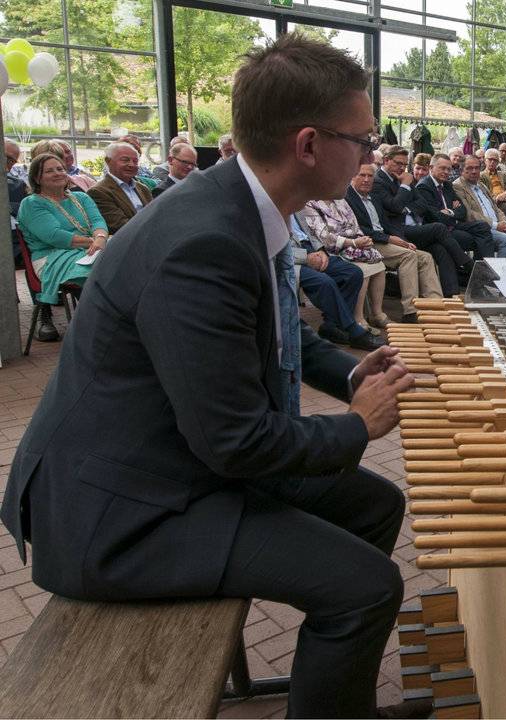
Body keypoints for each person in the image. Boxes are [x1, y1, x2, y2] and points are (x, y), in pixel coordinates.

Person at [3, 33, 416, 718]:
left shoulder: (238, 204)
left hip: (165, 464)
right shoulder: (206, 242)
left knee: (374, 505)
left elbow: (277, 332)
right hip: (120, 513)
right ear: (309, 145)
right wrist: (357, 425)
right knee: (365, 588)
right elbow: (234, 442)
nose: (371, 154)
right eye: (364, 140)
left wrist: (350, 377)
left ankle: (336, 696)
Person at [16, 152, 108, 341]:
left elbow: (98, 221)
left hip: (88, 249)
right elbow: (54, 236)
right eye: (50, 171)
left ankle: (109, 320)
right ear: (37, 178)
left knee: (124, 257)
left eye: (60, 169)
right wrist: (93, 242)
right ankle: (98, 324)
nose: (58, 173)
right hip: (51, 256)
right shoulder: (32, 203)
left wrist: (100, 238)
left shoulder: (81, 197)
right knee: (99, 266)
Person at [347, 162, 445, 315]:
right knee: (408, 256)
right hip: (366, 243)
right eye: (362, 175)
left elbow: (386, 224)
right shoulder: (348, 197)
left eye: (370, 176)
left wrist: (402, 241)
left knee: (425, 257)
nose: (366, 180)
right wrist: (390, 239)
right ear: (353, 176)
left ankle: (435, 306)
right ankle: (411, 310)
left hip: (384, 241)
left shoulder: (374, 196)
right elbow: (358, 229)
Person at [373, 145, 472, 296]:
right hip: (396, 231)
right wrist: (405, 186)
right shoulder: (379, 181)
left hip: (414, 227)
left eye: (404, 164)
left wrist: (405, 208)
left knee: (440, 248)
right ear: (386, 160)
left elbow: (422, 204)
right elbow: (395, 206)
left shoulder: (402, 177)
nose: (402, 168)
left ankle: (451, 294)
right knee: (438, 228)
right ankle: (468, 265)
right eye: (398, 163)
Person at [288, 214, 386, 351]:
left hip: (312, 251)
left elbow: (310, 234)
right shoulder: (267, 210)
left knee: (353, 273)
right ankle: (354, 332)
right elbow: (272, 249)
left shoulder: (296, 210)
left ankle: (331, 326)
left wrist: (321, 250)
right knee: (324, 282)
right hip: (291, 261)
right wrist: (305, 258)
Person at [299, 196, 390, 333]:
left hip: (349, 246)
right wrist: (352, 242)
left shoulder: (341, 200)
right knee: (359, 271)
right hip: (333, 249)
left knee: (379, 266)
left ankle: (377, 314)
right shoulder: (310, 203)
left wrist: (362, 241)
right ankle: (356, 319)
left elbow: (355, 226)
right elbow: (324, 236)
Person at [412, 154, 497, 269]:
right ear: (431, 168)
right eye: (442, 168)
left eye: (449, 169)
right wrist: (453, 211)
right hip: (440, 230)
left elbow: (462, 211)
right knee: (476, 239)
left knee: (483, 226)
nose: (446, 172)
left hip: (454, 224)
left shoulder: (447, 184)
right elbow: (435, 217)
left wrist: (450, 212)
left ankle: (485, 268)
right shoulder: (424, 186)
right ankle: (478, 270)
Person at [453, 155, 506, 258]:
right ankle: (499, 269)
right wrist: (495, 225)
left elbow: (495, 207)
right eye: (469, 168)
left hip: (498, 225)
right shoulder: (457, 186)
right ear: (461, 170)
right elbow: (468, 213)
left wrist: (504, 222)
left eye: (477, 168)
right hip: (480, 229)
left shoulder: (481, 185)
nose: (474, 171)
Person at [87, 141, 153, 233]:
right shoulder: (98, 192)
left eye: (135, 161)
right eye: (125, 160)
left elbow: (154, 215)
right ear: (108, 161)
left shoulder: (143, 188)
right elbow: (119, 225)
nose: (131, 165)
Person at [482, 148, 506, 229]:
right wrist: (497, 197)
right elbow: (483, 192)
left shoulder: (504, 174)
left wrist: (505, 193)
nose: (492, 162)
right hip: (493, 201)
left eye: (495, 160)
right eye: (490, 159)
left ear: (498, 162)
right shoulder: (481, 176)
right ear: (485, 160)